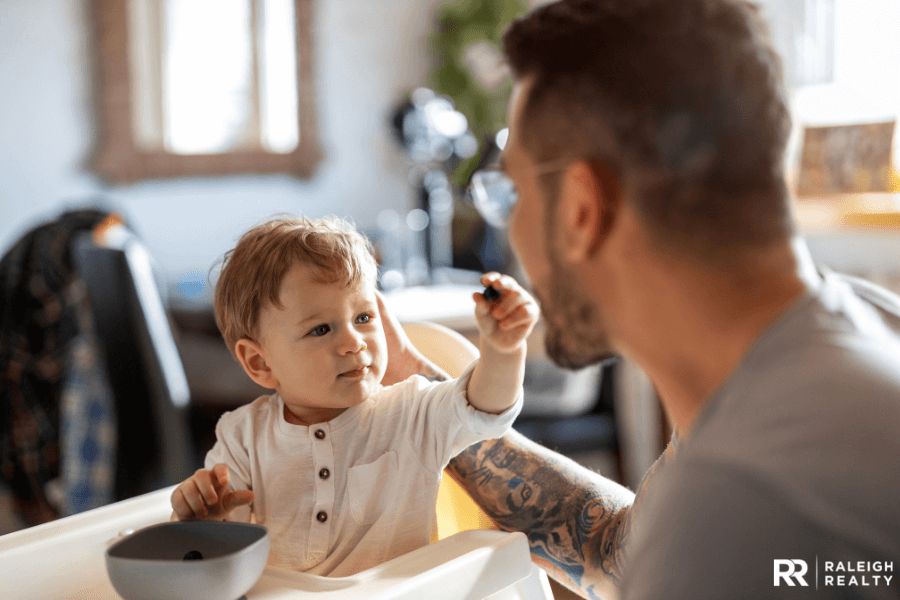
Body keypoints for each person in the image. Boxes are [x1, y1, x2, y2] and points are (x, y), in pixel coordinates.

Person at [378, 0, 900, 598]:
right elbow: (618, 552)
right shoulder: (854, 330)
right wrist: (422, 396)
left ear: (580, 208)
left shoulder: (747, 500)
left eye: (509, 192)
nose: (510, 225)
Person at [169, 215, 537, 576]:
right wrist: (203, 520)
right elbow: (214, 551)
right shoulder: (241, 437)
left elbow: (485, 409)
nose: (353, 342)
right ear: (260, 363)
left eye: (363, 317)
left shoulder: (413, 412)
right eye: (321, 329)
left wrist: (504, 351)